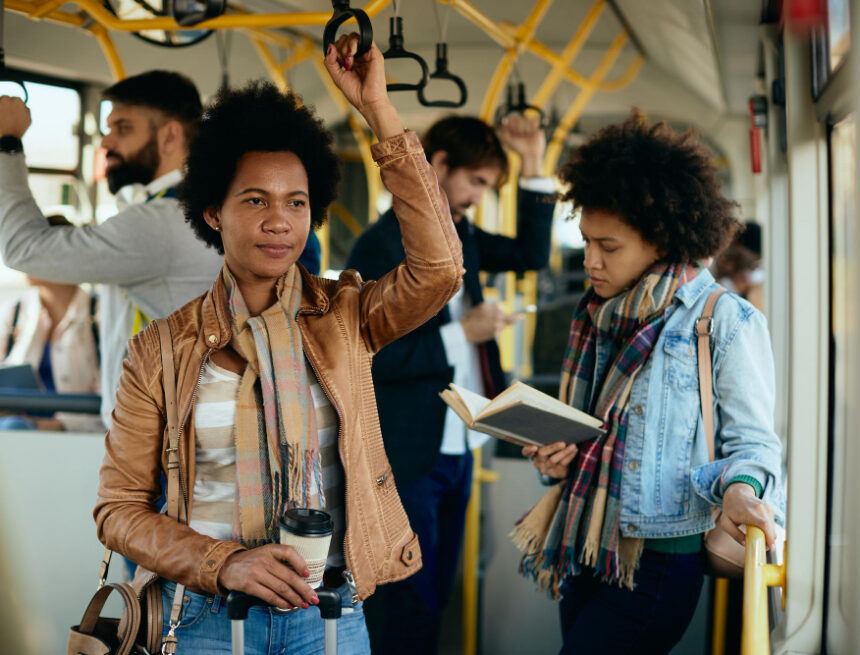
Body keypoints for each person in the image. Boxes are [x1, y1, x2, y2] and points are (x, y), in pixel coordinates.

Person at [94, 35, 463, 655]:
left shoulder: (346, 317)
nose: (279, 221)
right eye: (255, 200)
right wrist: (225, 563)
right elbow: (119, 509)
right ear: (214, 212)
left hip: (330, 614)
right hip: (204, 617)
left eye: (296, 203)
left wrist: (380, 112)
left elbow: (439, 270)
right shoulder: (160, 349)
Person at [514, 112, 784, 655]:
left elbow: (754, 445)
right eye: (587, 241)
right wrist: (556, 457)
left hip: (658, 559)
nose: (590, 260)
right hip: (587, 544)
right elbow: (590, 433)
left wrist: (739, 490)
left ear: (660, 239)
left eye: (608, 247)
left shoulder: (724, 321)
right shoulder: (595, 314)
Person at [346, 113, 554, 654]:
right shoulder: (377, 248)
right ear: (438, 167)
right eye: (477, 183)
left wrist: (534, 162)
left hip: (461, 443)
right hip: (404, 453)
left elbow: (531, 255)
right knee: (406, 601)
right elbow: (372, 357)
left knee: (437, 595)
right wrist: (464, 333)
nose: (478, 200)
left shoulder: (461, 236)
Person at [0, 70, 223, 429]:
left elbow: (23, 249)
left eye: (123, 128)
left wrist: (8, 144)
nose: (105, 143)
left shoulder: (161, 221)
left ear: (169, 136)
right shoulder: (191, 210)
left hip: (165, 442)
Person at [0, 214, 103, 432]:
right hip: (18, 432)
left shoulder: (99, 316)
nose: (24, 257)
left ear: (64, 256)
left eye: (35, 248)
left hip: (77, 440)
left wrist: (56, 425)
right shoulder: (15, 313)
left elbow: (117, 399)